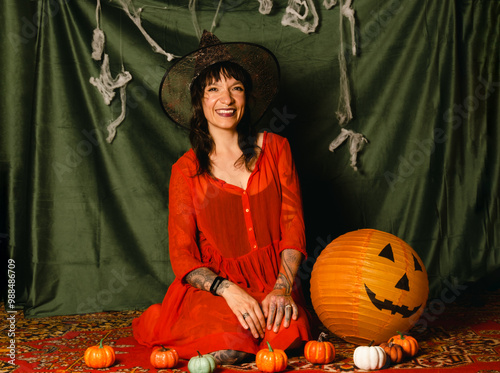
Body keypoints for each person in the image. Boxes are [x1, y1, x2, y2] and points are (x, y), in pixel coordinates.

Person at [132, 31, 311, 365]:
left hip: (276, 284)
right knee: (230, 349)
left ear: (247, 98)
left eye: (236, 88)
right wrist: (228, 291)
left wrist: (282, 288)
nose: (225, 99)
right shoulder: (185, 170)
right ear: (200, 101)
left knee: (287, 341)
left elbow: (293, 225)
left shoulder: (276, 149)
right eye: (213, 89)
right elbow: (182, 255)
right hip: (216, 290)